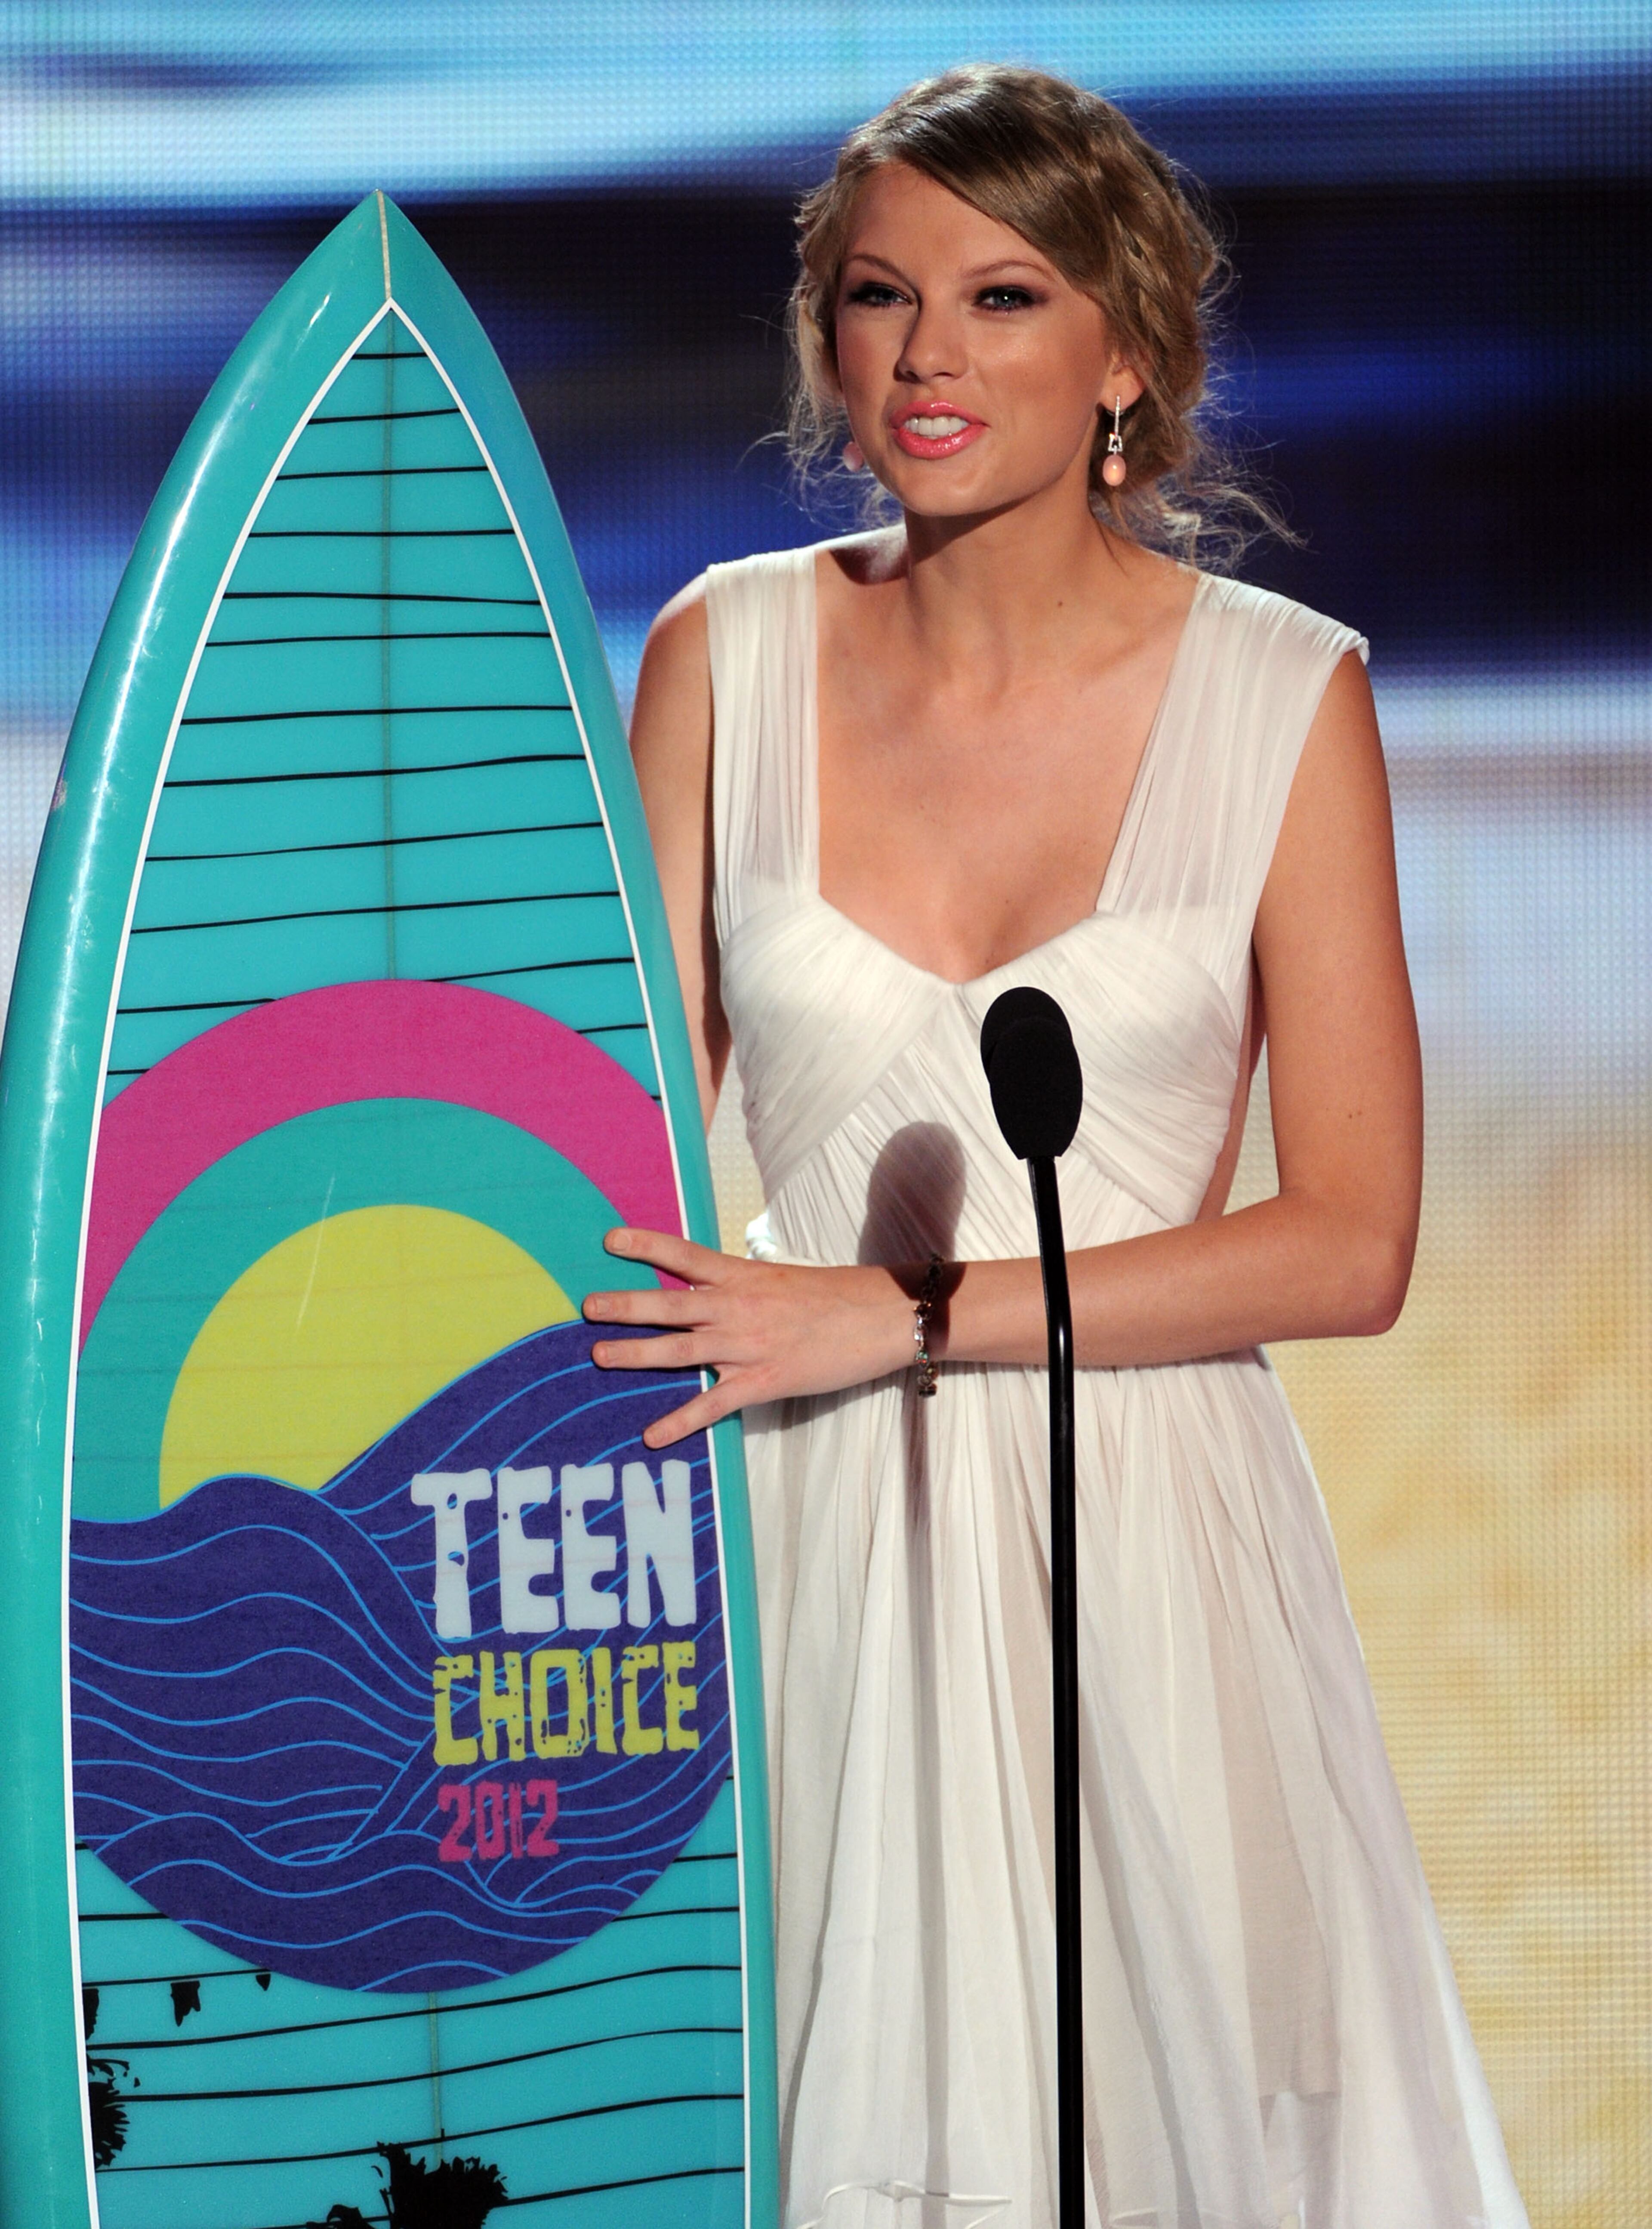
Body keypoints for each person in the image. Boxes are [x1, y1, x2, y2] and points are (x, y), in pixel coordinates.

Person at [584, 64, 1528, 2229]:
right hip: (784, 1539)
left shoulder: (1288, 696)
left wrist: (900, 1313)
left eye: (1004, 298)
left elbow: (1351, 1239)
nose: (929, 356)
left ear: (1126, 351)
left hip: (1146, 1556)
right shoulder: (722, 657)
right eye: (879, 295)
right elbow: (605, 1137)